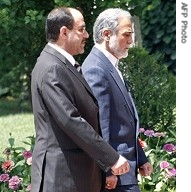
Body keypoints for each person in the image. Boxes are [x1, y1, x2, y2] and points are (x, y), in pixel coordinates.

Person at [30, 6, 130, 192]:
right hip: (62, 178)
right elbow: (71, 120)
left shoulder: (63, 63)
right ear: (64, 32)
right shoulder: (52, 67)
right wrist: (112, 158)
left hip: (76, 175)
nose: (86, 35)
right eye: (81, 29)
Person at [82, 8, 153, 192]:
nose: (131, 41)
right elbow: (99, 125)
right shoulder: (95, 68)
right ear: (107, 34)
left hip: (125, 171)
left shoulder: (109, 64)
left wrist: (141, 158)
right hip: (116, 175)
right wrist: (107, 170)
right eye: (126, 34)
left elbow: (122, 123)